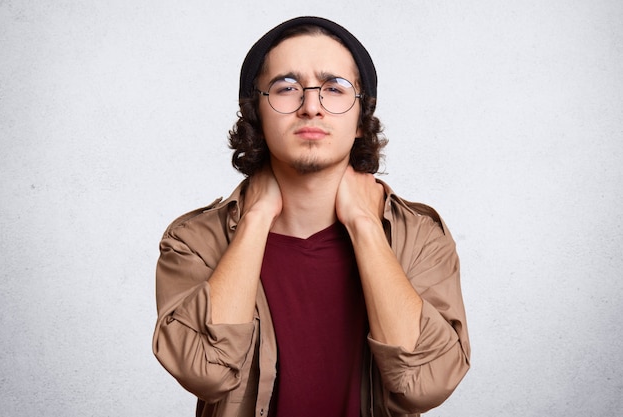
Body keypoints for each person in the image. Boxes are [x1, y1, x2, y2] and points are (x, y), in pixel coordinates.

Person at [153, 16, 470, 417]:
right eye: (287, 88)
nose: (311, 107)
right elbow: (205, 372)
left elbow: (425, 382)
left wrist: (365, 225)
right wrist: (255, 220)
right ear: (256, 113)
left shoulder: (420, 237)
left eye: (334, 89)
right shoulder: (193, 241)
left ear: (360, 117)